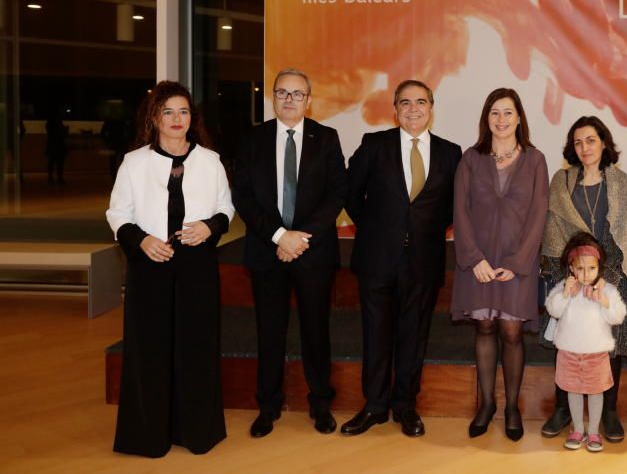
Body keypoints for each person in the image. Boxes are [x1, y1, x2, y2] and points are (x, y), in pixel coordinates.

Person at [106, 81, 234, 457]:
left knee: (196, 349)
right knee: (150, 351)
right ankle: (148, 436)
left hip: (197, 267)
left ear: (192, 118)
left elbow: (227, 208)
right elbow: (117, 213)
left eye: (183, 111)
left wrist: (211, 226)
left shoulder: (210, 161)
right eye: (168, 112)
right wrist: (141, 240)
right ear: (155, 118)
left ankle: (197, 431)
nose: (177, 119)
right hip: (150, 264)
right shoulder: (134, 162)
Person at [232, 68, 348, 438]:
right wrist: (281, 236)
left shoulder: (326, 138)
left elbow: (336, 194)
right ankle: (268, 406)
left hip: (313, 253)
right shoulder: (253, 139)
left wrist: (300, 239)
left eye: (297, 94)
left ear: (308, 99)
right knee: (269, 332)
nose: (289, 100)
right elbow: (244, 196)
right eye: (282, 92)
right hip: (268, 252)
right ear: (273, 96)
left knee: (316, 331)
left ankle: (320, 403)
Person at [342, 80, 462, 437]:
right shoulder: (373, 145)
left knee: (414, 336)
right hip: (377, 259)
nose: (413, 109)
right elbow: (350, 195)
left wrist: (423, 230)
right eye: (405, 102)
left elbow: (454, 206)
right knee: (376, 335)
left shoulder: (451, 153)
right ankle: (375, 407)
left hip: (424, 261)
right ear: (394, 109)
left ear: (431, 107)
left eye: (420, 102)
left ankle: (405, 406)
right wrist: (378, 229)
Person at [539, 116, 627, 443]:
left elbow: (623, 233)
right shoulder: (562, 180)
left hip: (612, 273)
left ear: (603, 143)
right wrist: (573, 273)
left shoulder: (621, 181)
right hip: (568, 273)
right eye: (578, 142)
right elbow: (555, 232)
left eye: (591, 140)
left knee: (609, 346)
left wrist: (604, 278)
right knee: (568, 344)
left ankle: (609, 412)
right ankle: (563, 409)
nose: (584, 148)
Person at [451, 87, 548, 441]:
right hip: (478, 261)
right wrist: (474, 259)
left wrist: (519, 261)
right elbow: (459, 212)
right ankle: (486, 404)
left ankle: (511, 408)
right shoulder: (471, 159)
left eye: (508, 112)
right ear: (486, 118)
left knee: (511, 331)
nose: (501, 119)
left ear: (519, 118)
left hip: (516, 263)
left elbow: (539, 214)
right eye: (495, 112)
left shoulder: (535, 159)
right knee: (485, 328)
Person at [544, 232, 627, 453]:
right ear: (571, 268)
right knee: (573, 390)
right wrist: (565, 294)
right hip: (569, 352)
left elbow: (618, 316)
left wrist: (604, 301)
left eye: (591, 268)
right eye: (579, 269)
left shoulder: (606, 289)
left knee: (595, 391)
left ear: (598, 266)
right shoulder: (565, 287)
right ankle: (577, 429)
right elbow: (553, 309)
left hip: (596, 353)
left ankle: (593, 431)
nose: (585, 274)